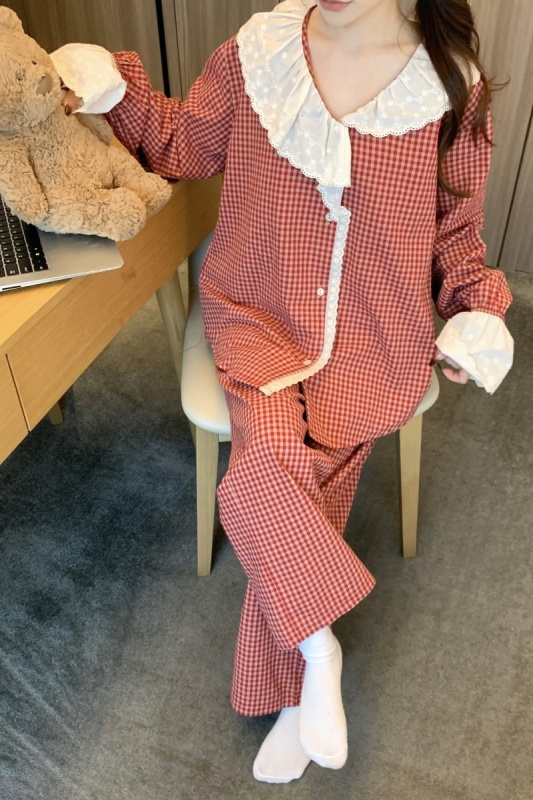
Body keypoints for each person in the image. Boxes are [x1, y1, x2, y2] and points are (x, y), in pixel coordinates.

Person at [54, 0, 513, 784]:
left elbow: (453, 233)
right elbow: (185, 142)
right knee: (269, 456)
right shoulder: (257, 52)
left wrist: (477, 313)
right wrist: (115, 92)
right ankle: (317, 649)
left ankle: (297, 685)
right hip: (258, 315)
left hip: (374, 333)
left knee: (297, 479)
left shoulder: (448, 87)